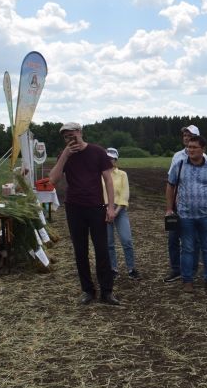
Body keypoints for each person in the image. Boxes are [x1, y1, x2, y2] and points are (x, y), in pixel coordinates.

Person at [49, 122, 119, 306]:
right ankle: (87, 290)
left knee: (102, 249)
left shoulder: (97, 152)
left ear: (80, 132)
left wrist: (111, 207)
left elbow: (108, 181)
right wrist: (65, 154)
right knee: (80, 251)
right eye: (66, 137)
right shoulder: (64, 155)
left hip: (96, 207)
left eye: (72, 135)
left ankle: (107, 291)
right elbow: (53, 180)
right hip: (74, 208)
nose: (70, 139)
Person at [166, 135, 207, 292]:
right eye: (189, 147)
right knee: (187, 249)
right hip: (185, 216)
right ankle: (187, 281)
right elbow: (170, 186)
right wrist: (169, 209)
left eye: (194, 147)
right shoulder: (179, 166)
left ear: (203, 149)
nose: (190, 150)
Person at [164, 124, 202, 282]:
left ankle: (192, 269)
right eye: (185, 135)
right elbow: (171, 182)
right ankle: (176, 269)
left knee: (194, 239)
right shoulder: (177, 156)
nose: (186, 137)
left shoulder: (204, 158)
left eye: (190, 135)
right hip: (176, 206)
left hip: (194, 206)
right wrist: (169, 207)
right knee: (173, 238)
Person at [104, 148, 140, 280]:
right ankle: (113, 269)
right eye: (107, 158)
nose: (109, 161)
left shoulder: (122, 175)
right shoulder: (99, 174)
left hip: (120, 210)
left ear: (116, 160)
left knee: (126, 240)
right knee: (109, 243)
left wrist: (115, 211)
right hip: (104, 210)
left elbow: (125, 195)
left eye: (112, 158)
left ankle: (131, 269)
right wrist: (107, 210)